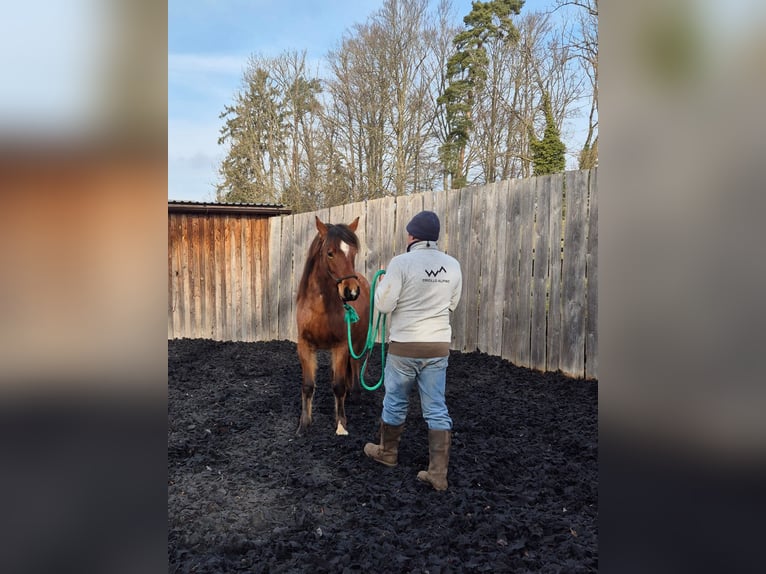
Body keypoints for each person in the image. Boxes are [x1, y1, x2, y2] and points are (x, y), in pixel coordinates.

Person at [363, 210, 462, 491]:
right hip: (438, 347)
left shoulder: (401, 263)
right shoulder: (453, 265)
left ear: (412, 236)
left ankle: (388, 453)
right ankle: (438, 474)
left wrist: (382, 286)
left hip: (404, 347)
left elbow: (383, 306)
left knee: (395, 400)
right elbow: (452, 304)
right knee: (436, 407)